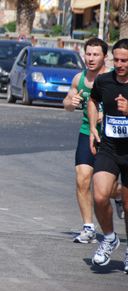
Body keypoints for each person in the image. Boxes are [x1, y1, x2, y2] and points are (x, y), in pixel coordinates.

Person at [63, 38, 123, 244]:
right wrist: (71, 102)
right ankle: (88, 228)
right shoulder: (80, 78)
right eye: (88, 54)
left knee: (107, 188)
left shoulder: (113, 78)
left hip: (110, 137)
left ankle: (119, 196)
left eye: (95, 54)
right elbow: (67, 103)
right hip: (86, 132)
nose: (91, 58)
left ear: (104, 57)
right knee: (82, 177)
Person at [88, 38, 128, 269]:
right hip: (109, 147)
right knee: (100, 195)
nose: (120, 64)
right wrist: (93, 127)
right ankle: (110, 238)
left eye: (125, 60)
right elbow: (92, 101)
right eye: (117, 60)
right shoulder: (104, 81)